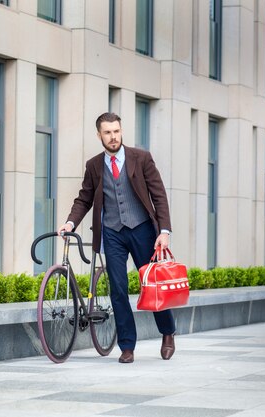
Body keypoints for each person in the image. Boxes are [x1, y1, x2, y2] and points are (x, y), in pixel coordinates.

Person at [57, 112, 176, 364]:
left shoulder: (141, 158)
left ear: (121, 131)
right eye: (108, 132)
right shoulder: (94, 165)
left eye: (117, 131)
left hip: (142, 229)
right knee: (118, 290)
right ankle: (127, 346)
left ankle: (167, 331)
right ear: (99, 135)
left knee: (151, 285)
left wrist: (163, 231)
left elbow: (159, 195)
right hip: (112, 233)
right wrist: (70, 222)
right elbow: (84, 199)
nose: (113, 137)